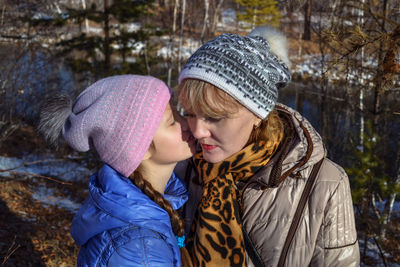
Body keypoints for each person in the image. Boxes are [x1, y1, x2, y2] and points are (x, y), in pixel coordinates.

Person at [176, 26, 360, 266]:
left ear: (257, 114)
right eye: (190, 114)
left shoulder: (325, 184)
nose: (198, 131)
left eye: (214, 117)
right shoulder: (180, 166)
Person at [38, 75, 195, 266]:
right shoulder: (141, 249)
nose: (187, 124)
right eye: (172, 121)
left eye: (179, 113)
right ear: (142, 148)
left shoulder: (150, 208)